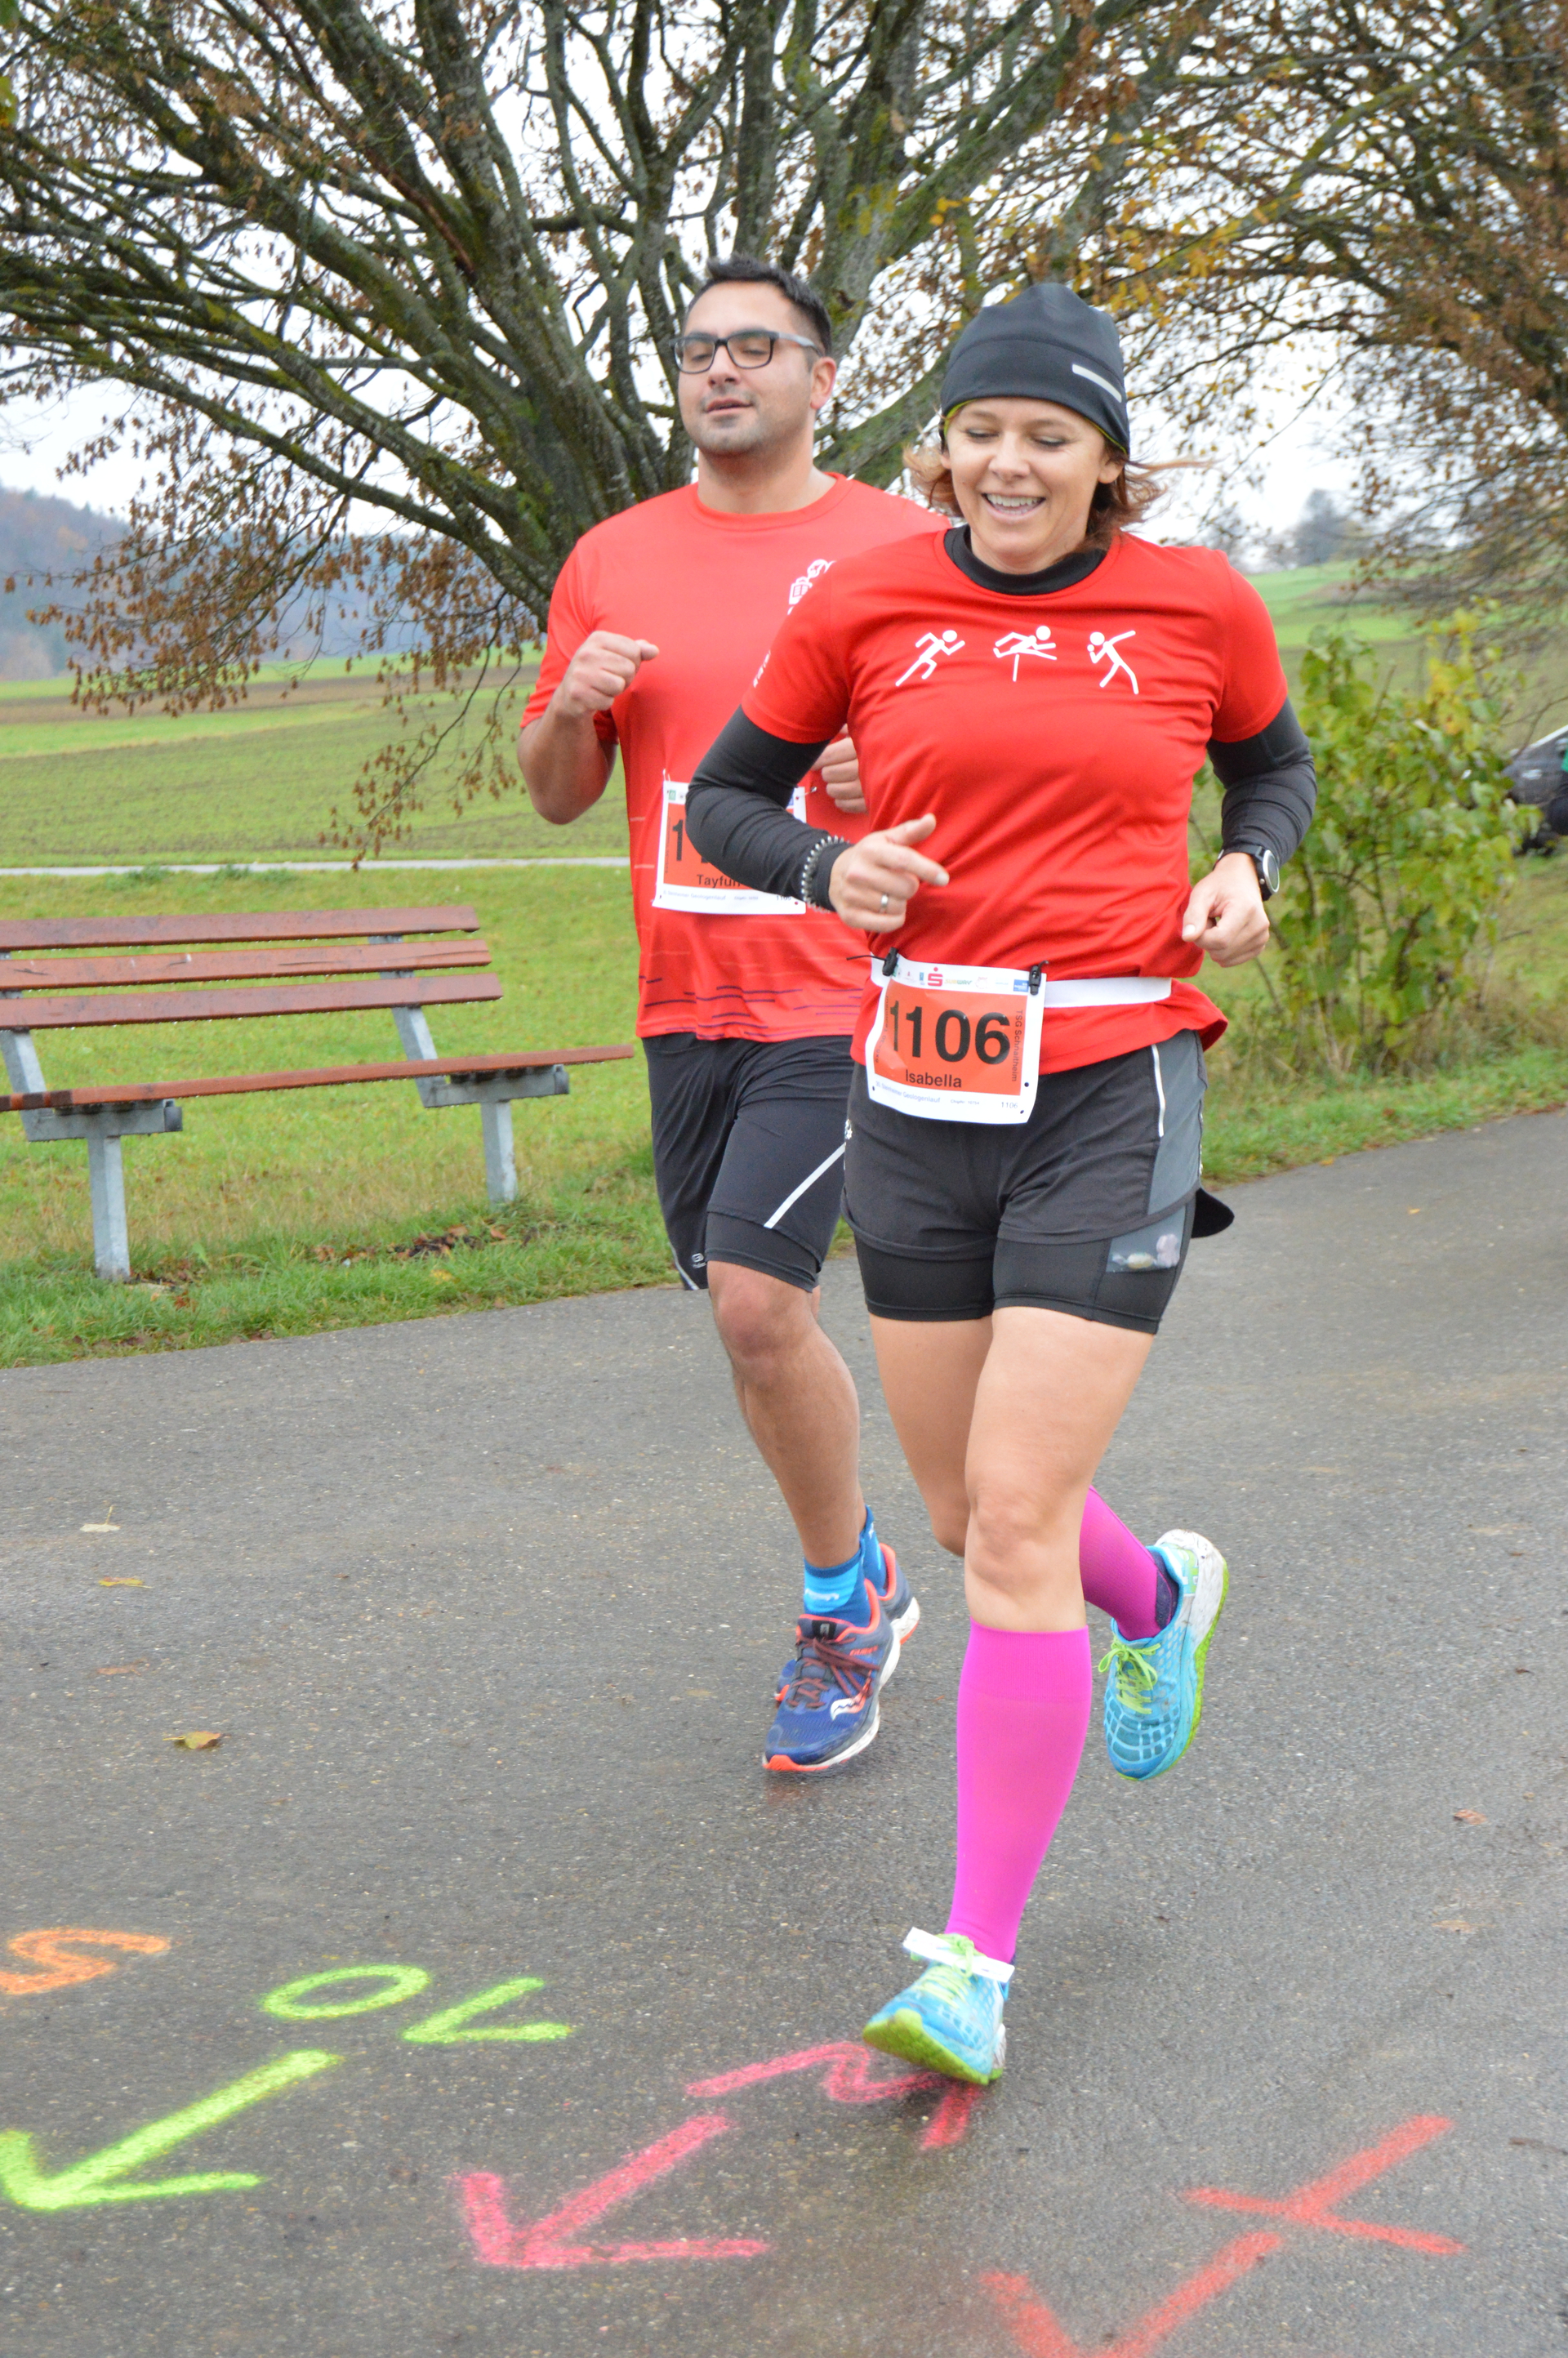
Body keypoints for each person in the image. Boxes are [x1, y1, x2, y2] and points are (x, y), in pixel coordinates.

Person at [685, 282, 1316, 2079]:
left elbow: (1272, 765)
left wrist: (1250, 868)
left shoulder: (1197, 601)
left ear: (1109, 461)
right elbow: (726, 798)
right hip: (916, 1088)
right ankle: (1160, 1600)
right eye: (982, 431)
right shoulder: (865, 598)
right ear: (942, 447)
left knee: (1018, 1532)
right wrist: (826, 868)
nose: (1011, 462)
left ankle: (971, 1963)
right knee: (972, 1512)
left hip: (1114, 1079)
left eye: (1052, 436)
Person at [519, 256, 941, 1775]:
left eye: (756, 348)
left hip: (849, 986)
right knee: (743, 1315)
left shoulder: (909, 547)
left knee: (762, 1307)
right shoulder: (613, 557)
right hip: (687, 995)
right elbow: (558, 795)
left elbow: (994, 763)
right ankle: (867, 1566)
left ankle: (840, 1610)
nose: (720, 370)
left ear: (823, 380)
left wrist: (890, 776)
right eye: (699, 348)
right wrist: (574, 703)